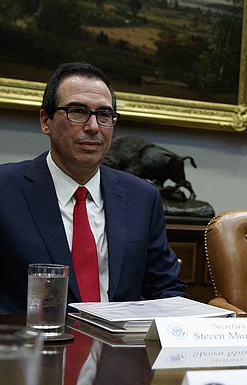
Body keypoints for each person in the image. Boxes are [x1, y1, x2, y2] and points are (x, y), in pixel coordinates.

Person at [0, 62, 185, 314]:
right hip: (29, 348)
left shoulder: (142, 198)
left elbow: (167, 291)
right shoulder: (5, 190)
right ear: (46, 121)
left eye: (104, 115)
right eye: (77, 111)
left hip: (117, 350)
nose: (93, 127)